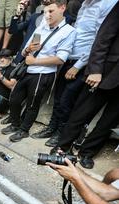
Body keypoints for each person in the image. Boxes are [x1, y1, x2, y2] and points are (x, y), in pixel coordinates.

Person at [32, 0, 118, 148]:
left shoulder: (107, 4)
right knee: (58, 99)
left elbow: (98, 39)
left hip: (83, 63)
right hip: (68, 58)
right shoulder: (85, 4)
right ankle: (52, 128)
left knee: (67, 101)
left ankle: (60, 133)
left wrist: (78, 66)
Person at [51, 2, 119, 169]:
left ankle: (87, 152)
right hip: (106, 71)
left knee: (109, 121)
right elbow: (104, 36)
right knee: (82, 112)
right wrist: (95, 69)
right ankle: (63, 146)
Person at [1, 0, 76, 143]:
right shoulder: (42, 25)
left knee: (32, 104)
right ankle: (15, 123)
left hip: (44, 73)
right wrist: (27, 50)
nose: (48, 15)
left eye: (51, 11)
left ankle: (24, 130)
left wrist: (35, 61)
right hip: (28, 69)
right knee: (15, 99)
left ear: (62, 8)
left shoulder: (68, 31)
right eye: (46, 11)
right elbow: (27, 48)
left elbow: (61, 59)